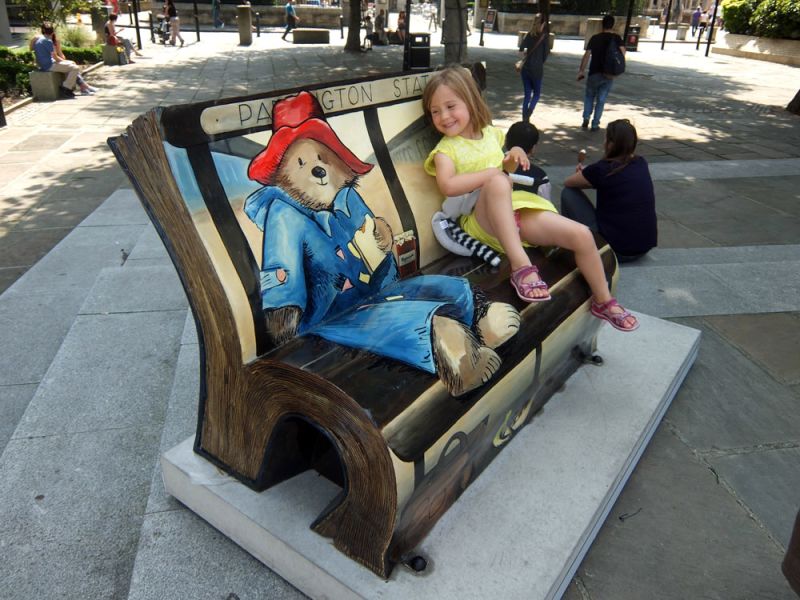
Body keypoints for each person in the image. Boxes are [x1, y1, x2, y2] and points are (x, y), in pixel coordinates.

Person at [422, 66, 638, 331]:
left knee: (581, 234)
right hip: (481, 221)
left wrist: (512, 152)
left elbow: (506, 167)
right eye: (435, 111)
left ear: (470, 101)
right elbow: (448, 185)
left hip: (514, 210)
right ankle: (521, 266)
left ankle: (604, 301)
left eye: (450, 106)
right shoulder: (445, 150)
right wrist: (493, 173)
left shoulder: (491, 134)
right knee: (498, 180)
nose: (443, 116)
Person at [561, 119, 657, 263]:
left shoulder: (602, 169)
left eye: (605, 138)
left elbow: (569, 182)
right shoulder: (640, 162)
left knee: (568, 193)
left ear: (611, 144)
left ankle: (575, 246)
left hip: (615, 250)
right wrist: (589, 176)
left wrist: (584, 175)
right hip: (644, 246)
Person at [577, 14, 625, 132]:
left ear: (602, 24)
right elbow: (623, 53)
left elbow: (587, 55)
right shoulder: (616, 38)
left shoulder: (595, 38)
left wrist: (581, 70)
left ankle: (586, 117)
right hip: (608, 73)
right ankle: (595, 124)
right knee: (601, 99)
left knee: (589, 95)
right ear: (612, 25)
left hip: (594, 72)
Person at [30, 25, 97, 95]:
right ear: (52, 32)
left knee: (70, 66)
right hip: (49, 65)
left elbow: (32, 50)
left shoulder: (38, 40)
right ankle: (66, 87)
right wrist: (66, 61)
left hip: (44, 65)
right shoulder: (48, 41)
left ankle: (83, 87)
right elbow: (55, 56)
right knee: (75, 67)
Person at [517, 13, 549, 123]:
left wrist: (526, 51)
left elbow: (521, 48)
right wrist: (540, 61)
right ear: (543, 23)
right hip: (537, 70)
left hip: (526, 68)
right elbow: (545, 55)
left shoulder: (529, 34)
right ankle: (529, 111)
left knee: (527, 94)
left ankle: (524, 117)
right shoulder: (544, 37)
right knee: (536, 94)